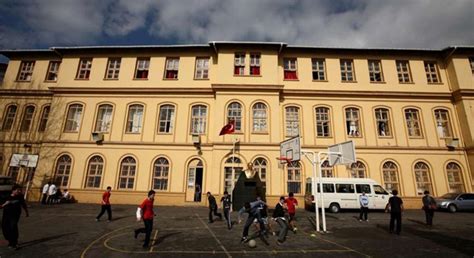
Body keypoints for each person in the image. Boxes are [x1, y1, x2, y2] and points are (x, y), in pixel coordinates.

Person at [1, 184, 29, 249]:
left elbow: (23, 204)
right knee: (4, 227)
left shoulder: (20, 196)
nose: (19, 191)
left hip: (15, 214)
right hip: (6, 214)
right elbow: (1, 206)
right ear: (13, 190)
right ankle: (10, 240)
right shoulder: (6, 196)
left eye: (20, 190)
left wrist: (26, 212)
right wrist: (5, 204)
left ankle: (14, 242)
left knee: (13, 226)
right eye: (18, 190)